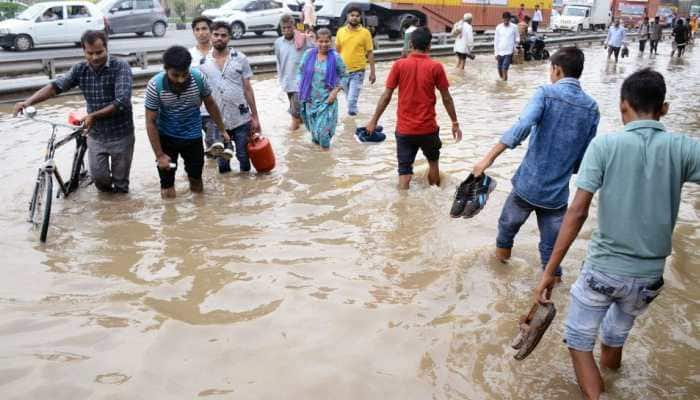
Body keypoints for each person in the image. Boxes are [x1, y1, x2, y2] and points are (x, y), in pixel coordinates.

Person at [532, 68, 700, 400]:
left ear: (623, 106)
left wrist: (549, 272)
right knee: (614, 338)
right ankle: (613, 381)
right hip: (649, 277)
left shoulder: (606, 145)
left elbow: (576, 212)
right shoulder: (685, 148)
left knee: (578, 343)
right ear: (663, 108)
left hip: (603, 271)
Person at [472, 47, 599, 277]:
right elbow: (584, 155)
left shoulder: (545, 93)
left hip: (527, 186)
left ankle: (500, 279)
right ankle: (548, 296)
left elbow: (522, 126)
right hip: (557, 195)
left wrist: (487, 159)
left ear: (556, 69)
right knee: (551, 254)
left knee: (506, 231)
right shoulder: (591, 108)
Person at [13, 30, 135, 194]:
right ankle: (108, 212)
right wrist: (28, 102)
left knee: (121, 185)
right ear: (84, 51)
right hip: (96, 135)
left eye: (99, 52)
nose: (94, 57)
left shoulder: (121, 67)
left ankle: (121, 215)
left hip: (121, 134)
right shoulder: (80, 69)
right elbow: (56, 87)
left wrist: (93, 115)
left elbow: (122, 101)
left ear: (106, 48)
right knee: (99, 179)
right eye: (89, 53)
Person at [365, 27, 463, 190]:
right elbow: (447, 98)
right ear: (429, 46)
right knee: (433, 164)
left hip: (405, 130)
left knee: (404, 172)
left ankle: (402, 206)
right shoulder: (436, 67)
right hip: (428, 129)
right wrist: (455, 122)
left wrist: (373, 121)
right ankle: (436, 198)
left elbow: (386, 96)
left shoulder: (399, 65)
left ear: (410, 44)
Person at [144, 45, 230, 198]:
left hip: (193, 138)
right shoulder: (155, 86)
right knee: (167, 185)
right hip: (166, 139)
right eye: (175, 75)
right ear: (166, 69)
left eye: (184, 74)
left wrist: (222, 129)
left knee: (196, 180)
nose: (180, 79)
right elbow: (150, 122)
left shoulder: (198, 79)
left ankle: (199, 212)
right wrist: (159, 155)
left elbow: (210, 104)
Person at [200, 22, 261, 174]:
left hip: (241, 118)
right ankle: (228, 193)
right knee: (222, 163)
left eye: (223, 35)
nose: (219, 38)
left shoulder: (240, 58)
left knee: (244, 158)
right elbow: (202, 95)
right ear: (211, 36)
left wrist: (255, 116)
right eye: (216, 35)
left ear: (229, 37)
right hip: (217, 121)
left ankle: (246, 191)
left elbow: (247, 89)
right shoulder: (203, 63)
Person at [297, 28, 346, 149]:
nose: (324, 44)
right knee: (314, 134)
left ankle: (327, 160)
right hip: (309, 100)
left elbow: (345, 75)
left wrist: (335, 92)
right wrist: (300, 85)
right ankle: (317, 162)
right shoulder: (308, 54)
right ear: (315, 41)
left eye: (326, 41)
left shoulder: (335, 57)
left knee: (324, 135)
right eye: (321, 41)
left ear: (331, 41)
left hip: (327, 101)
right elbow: (300, 71)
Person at [189, 16, 224, 158]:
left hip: (215, 107)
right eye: (197, 29)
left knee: (214, 143)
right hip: (194, 109)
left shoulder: (219, 53)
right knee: (200, 146)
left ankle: (219, 176)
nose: (201, 32)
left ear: (211, 31)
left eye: (204, 28)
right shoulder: (189, 55)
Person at [335, 7, 376, 116]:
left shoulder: (365, 33)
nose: (354, 18)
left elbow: (370, 52)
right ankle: (355, 121)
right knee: (349, 101)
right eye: (352, 15)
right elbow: (336, 52)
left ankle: (352, 127)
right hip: (343, 72)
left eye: (357, 16)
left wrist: (373, 72)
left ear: (360, 18)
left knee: (351, 101)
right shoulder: (340, 32)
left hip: (358, 72)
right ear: (347, 17)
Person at [275, 14, 310, 131]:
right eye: (283, 28)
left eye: (289, 27)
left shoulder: (301, 40)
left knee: (294, 114)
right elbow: (279, 61)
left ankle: (291, 137)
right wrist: (279, 78)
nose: (286, 30)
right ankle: (306, 128)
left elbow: (315, 48)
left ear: (293, 27)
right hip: (287, 80)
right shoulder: (278, 42)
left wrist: (307, 35)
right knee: (298, 113)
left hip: (300, 82)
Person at [494, 12, 519, 81]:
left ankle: (504, 84)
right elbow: (496, 41)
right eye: (505, 20)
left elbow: (517, 38)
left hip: (509, 52)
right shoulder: (498, 27)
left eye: (507, 20)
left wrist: (515, 47)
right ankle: (503, 82)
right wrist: (496, 53)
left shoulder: (514, 27)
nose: (506, 21)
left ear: (510, 19)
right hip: (500, 51)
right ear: (502, 19)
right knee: (499, 69)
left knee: (504, 68)